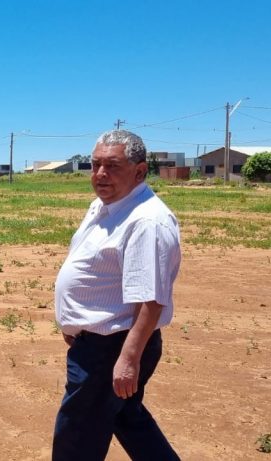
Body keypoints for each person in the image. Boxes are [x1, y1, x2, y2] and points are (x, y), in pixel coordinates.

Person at [52, 129, 181, 460]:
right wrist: (77, 328)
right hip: (98, 343)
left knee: (76, 437)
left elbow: (151, 300)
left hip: (113, 348)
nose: (100, 175)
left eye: (112, 166)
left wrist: (127, 359)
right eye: (95, 165)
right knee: (127, 419)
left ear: (140, 171)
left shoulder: (146, 221)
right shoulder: (105, 206)